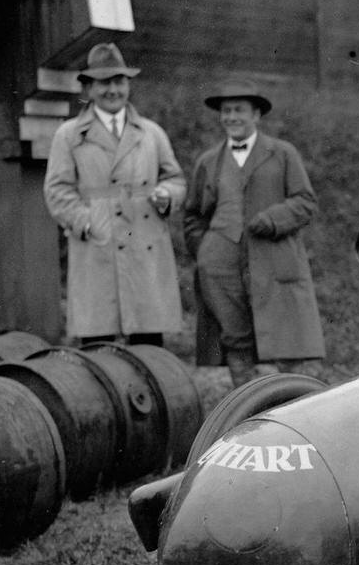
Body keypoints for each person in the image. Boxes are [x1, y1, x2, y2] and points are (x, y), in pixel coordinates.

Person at [182, 80, 326, 387]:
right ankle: (246, 406)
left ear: (256, 115)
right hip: (220, 265)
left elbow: (306, 202)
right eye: (226, 111)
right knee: (235, 337)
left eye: (239, 110)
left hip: (272, 259)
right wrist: (206, 249)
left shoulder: (283, 153)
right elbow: (193, 214)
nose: (231, 117)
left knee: (283, 339)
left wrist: (273, 219)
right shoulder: (209, 161)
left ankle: (286, 408)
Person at [44, 43, 186, 347]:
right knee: (97, 344)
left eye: (119, 81)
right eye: (104, 82)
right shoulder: (69, 135)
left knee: (148, 343)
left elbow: (175, 178)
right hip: (97, 246)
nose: (113, 90)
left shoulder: (152, 133)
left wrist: (167, 194)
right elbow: (57, 190)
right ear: (89, 88)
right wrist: (88, 221)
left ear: (128, 85)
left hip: (143, 238)